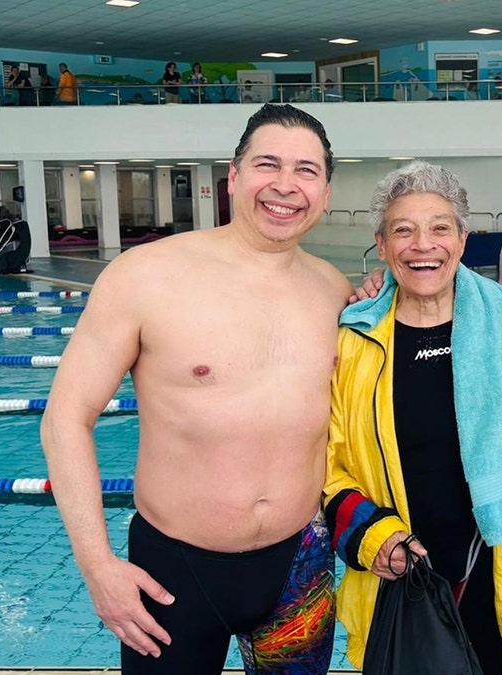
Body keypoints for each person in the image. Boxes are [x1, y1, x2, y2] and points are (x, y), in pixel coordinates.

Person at [40, 104, 350, 674]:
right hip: (173, 574)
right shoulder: (145, 276)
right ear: (233, 177)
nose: (286, 186)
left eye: (307, 171)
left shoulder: (336, 292)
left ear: (326, 192)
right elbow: (65, 417)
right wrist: (96, 564)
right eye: (268, 165)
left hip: (299, 568)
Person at [325, 161, 502, 675]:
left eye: (439, 228)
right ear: (382, 247)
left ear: (462, 239)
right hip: (398, 573)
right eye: (403, 230)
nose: (422, 245)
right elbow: (326, 463)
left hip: (496, 563)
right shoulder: (354, 341)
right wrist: (372, 536)